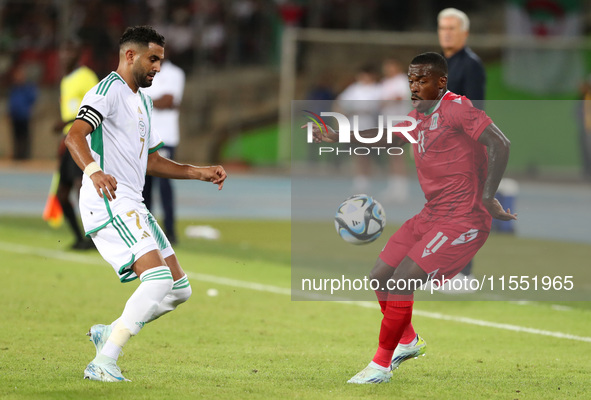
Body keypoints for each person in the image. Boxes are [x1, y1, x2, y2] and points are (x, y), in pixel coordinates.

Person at [308, 52, 516, 384]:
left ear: (441, 82)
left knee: (402, 280)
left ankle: (380, 365)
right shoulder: (416, 118)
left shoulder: (458, 108)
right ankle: (408, 341)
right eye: (411, 80)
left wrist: (489, 195)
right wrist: (336, 136)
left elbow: (500, 144)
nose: (415, 87)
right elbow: (381, 134)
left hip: (464, 219)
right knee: (380, 276)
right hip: (432, 215)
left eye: (422, 80)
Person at [65, 26, 227, 382]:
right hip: (107, 199)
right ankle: (104, 361)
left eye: (161, 61)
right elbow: (74, 135)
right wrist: (94, 171)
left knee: (178, 290)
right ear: (130, 56)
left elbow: (151, 161)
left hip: (132, 202)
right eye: (153, 59)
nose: (157, 67)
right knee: (156, 279)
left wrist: (198, 172)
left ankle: (112, 331)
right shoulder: (107, 91)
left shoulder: (143, 101)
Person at [438, 7, 486, 283]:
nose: (446, 32)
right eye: (443, 27)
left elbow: (475, 111)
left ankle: (464, 273)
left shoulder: (471, 65)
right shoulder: (439, 65)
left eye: (452, 28)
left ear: (464, 32)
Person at [53, 39, 99, 250]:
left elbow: (97, 108)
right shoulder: (66, 80)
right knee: (62, 194)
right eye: (63, 50)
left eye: (70, 50)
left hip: (82, 140)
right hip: (68, 142)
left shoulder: (86, 76)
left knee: (82, 189)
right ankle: (80, 237)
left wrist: (68, 122)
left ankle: (95, 237)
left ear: (78, 53)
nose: (65, 55)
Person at [141, 59, 186, 244]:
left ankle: (170, 231)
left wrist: (142, 100)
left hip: (165, 137)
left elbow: (168, 101)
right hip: (143, 137)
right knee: (143, 187)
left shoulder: (174, 73)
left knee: (164, 185)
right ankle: (147, 231)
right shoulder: (143, 71)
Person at [335, 64, 383, 193]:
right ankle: (360, 180)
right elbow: (340, 104)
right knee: (358, 153)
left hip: (372, 125)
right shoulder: (354, 89)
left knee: (368, 154)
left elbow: (382, 106)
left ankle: (368, 177)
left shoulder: (378, 89)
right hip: (355, 125)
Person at [380, 57, 411, 203]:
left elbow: (401, 97)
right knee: (392, 155)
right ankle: (394, 185)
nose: (388, 69)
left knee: (398, 155)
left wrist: (388, 101)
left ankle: (402, 187)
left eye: (390, 66)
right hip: (387, 123)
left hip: (401, 122)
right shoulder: (385, 82)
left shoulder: (402, 80)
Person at [8, 65, 38, 160]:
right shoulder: (14, 88)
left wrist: (29, 109)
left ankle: (25, 156)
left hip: (24, 116)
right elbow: (11, 102)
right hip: (15, 116)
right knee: (16, 137)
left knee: (24, 137)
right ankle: (17, 155)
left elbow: (33, 99)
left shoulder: (27, 88)